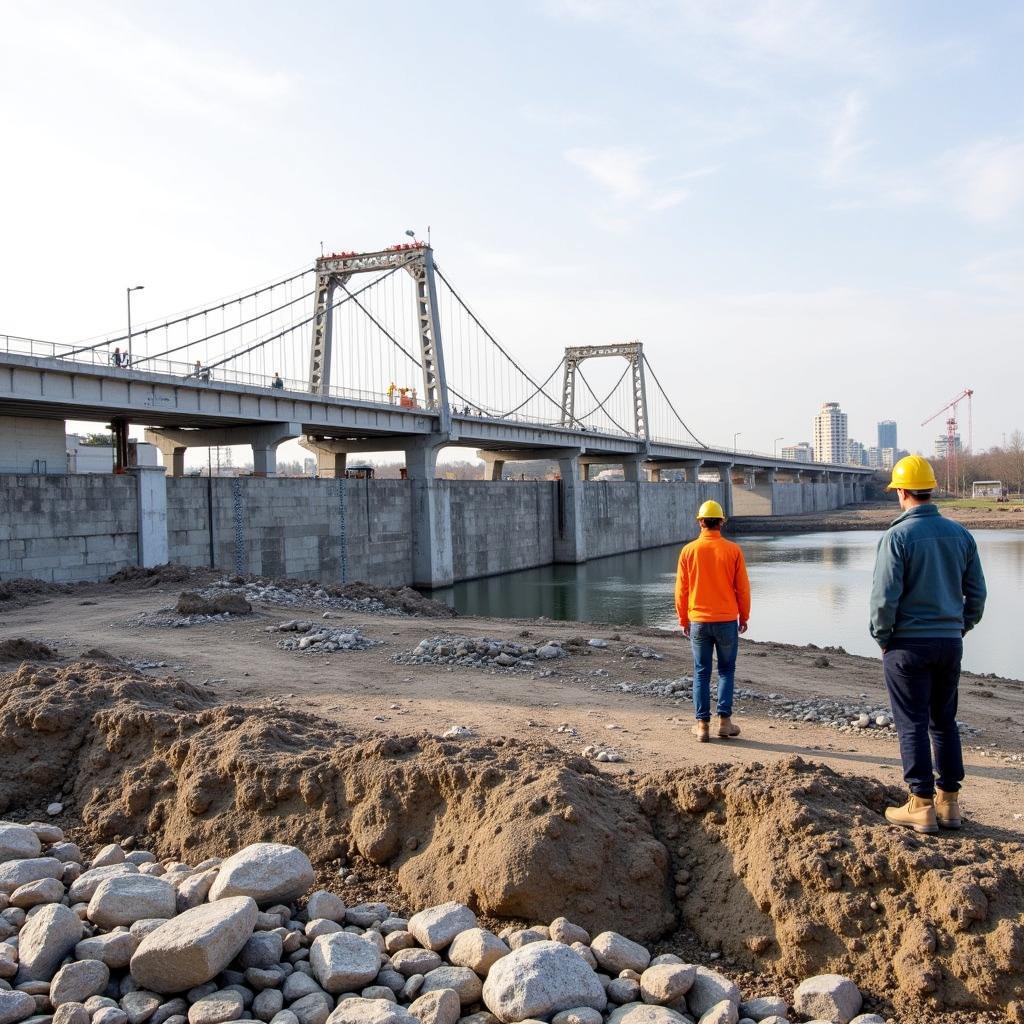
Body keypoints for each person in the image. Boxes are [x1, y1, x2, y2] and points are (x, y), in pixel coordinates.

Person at [870, 455, 987, 834]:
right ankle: (948, 803)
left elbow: (884, 599)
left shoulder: (896, 536)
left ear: (902, 492)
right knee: (944, 722)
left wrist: (883, 637)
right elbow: (977, 595)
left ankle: (920, 803)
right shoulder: (961, 535)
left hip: (907, 645)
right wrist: (961, 627)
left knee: (912, 724)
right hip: (949, 643)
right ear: (931, 489)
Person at [675, 499, 751, 742]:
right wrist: (744, 615)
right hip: (727, 620)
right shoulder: (733, 551)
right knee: (726, 670)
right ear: (721, 522)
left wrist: (683, 618)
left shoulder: (688, 551)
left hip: (698, 620)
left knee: (701, 673)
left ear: (700, 522)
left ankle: (702, 726)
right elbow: (743, 589)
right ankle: (725, 723)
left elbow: (681, 590)